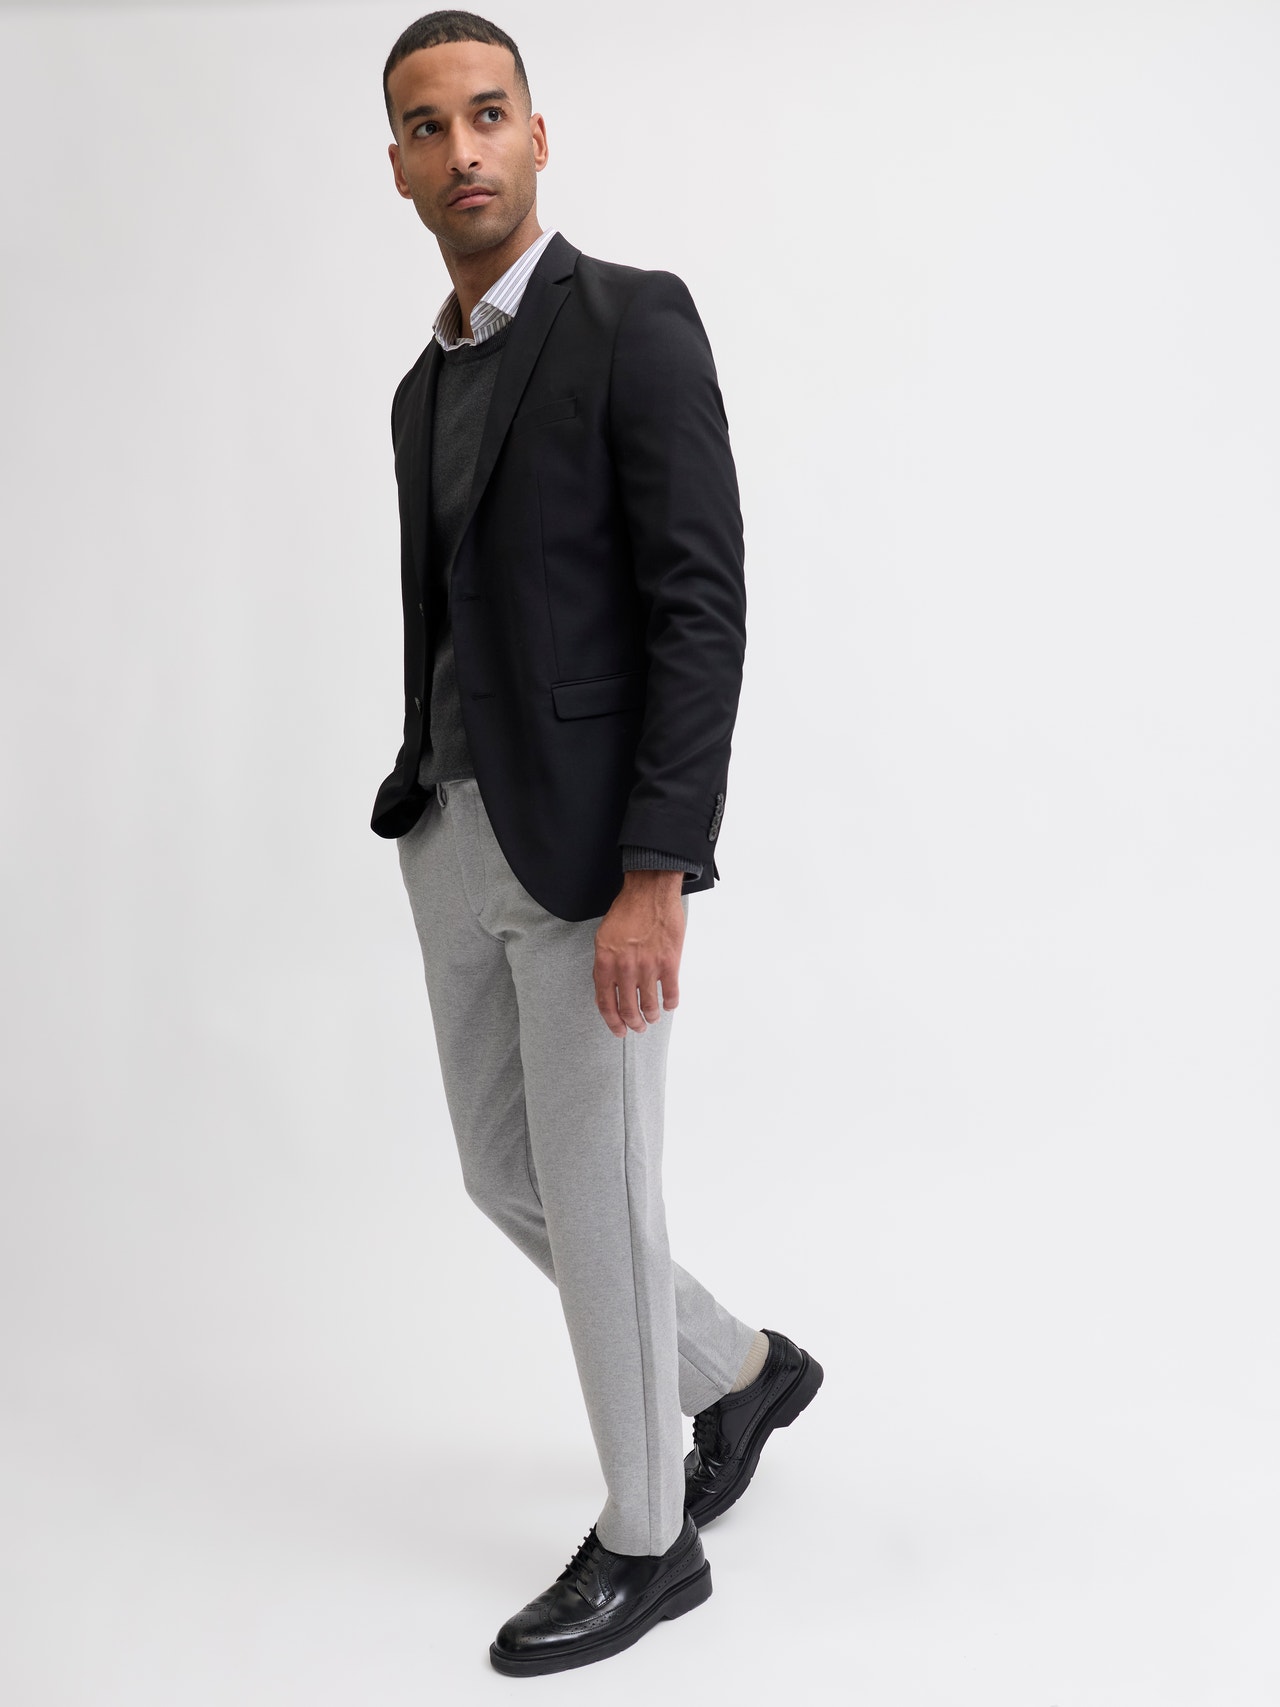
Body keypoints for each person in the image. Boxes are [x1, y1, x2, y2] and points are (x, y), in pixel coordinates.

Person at [372, 10, 823, 1677]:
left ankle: (649, 1541)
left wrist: (658, 870)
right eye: (431, 126)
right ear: (399, 166)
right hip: (454, 832)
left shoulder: (634, 322)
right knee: (509, 1174)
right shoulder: (420, 387)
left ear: (539, 136)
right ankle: (741, 1373)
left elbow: (701, 605)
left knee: (601, 1180)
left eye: (490, 114)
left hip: (588, 859)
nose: (465, 149)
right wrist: (422, 794)